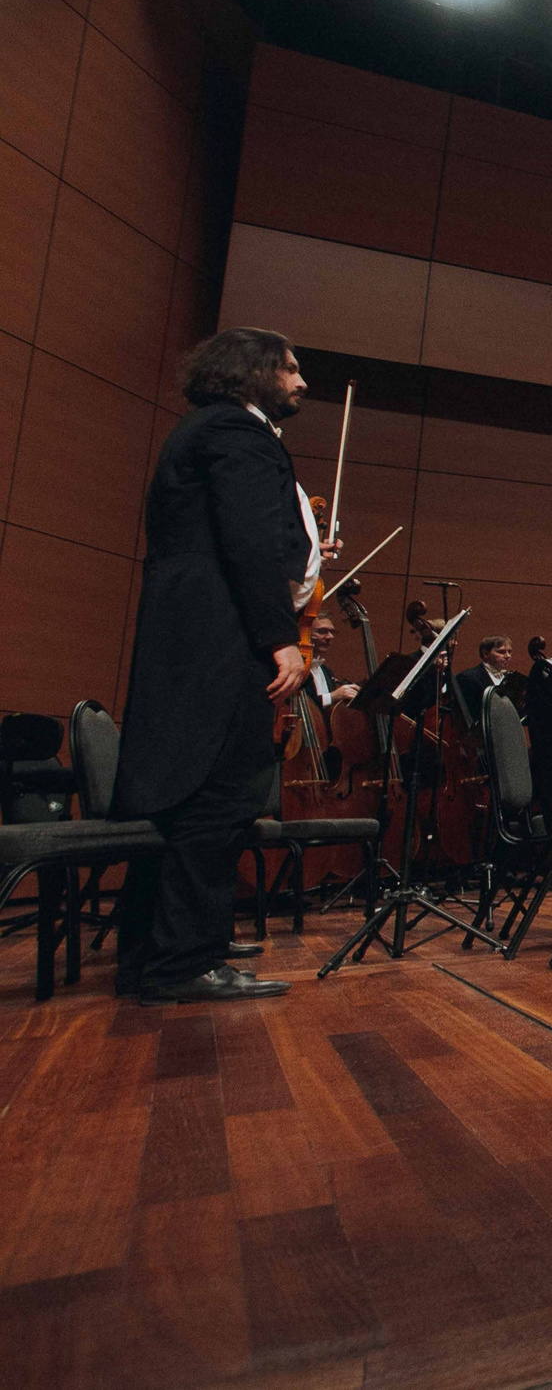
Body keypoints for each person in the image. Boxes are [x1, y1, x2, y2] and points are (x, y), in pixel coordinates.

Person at [112, 327, 325, 1003]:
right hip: (223, 645)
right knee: (221, 801)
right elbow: (250, 544)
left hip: (187, 643)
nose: (301, 382)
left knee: (181, 802)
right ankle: (184, 963)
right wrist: (280, 638)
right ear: (253, 371)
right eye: (289, 368)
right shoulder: (240, 433)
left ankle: (147, 959)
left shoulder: (199, 430)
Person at [451, 634, 519, 734]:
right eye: (501, 652)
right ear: (486, 654)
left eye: (509, 652)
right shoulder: (468, 677)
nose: (508, 656)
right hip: (480, 736)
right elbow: (466, 715)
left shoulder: (510, 679)